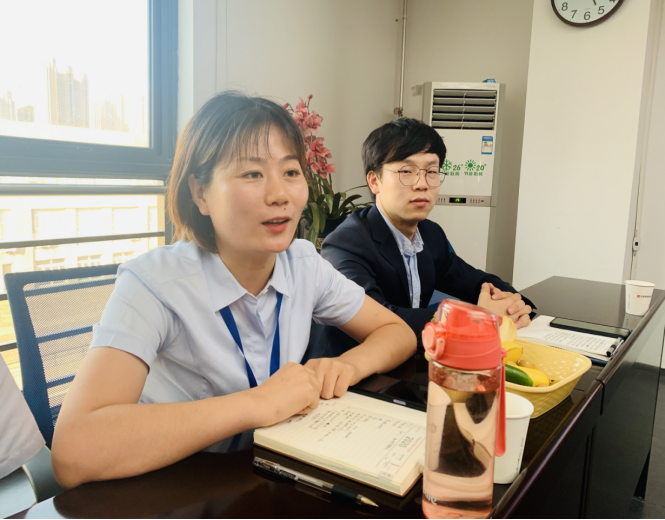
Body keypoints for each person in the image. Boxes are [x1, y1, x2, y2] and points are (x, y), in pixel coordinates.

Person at [51, 92, 416, 489]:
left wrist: (347, 366)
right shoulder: (154, 283)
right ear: (200, 193)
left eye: (290, 172)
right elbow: (75, 451)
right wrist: (259, 403)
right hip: (173, 488)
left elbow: (397, 333)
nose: (279, 194)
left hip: (261, 477)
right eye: (252, 174)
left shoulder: (302, 263)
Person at [319, 118, 534, 354]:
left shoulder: (430, 234)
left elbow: (473, 281)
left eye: (431, 171)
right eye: (406, 171)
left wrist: (516, 305)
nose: (422, 184)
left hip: (412, 358)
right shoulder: (346, 244)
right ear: (374, 181)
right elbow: (379, 318)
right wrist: (477, 320)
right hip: (351, 366)